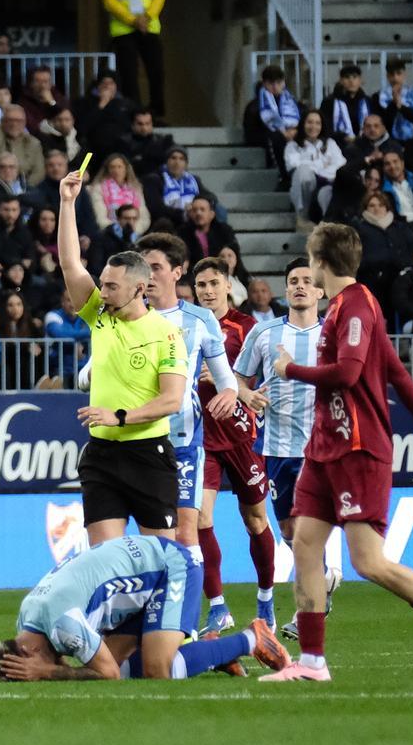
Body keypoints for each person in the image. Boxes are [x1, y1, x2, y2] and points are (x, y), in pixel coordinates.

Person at [261, 222, 413, 682]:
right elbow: (396, 371)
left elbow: (350, 374)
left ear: (320, 261)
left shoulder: (355, 307)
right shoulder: (346, 307)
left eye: (309, 258)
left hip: (359, 447)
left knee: (367, 562)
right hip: (324, 447)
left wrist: (289, 369)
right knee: (306, 545)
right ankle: (313, 661)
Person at [57, 170, 187, 549]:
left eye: (112, 286)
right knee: (105, 561)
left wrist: (120, 417)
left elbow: (171, 400)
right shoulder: (100, 314)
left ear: (140, 289)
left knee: (158, 560)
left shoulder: (165, 333)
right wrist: (67, 203)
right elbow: (69, 264)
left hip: (149, 454)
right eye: (103, 283)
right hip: (101, 455)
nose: (104, 291)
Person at [0, 535, 288, 681]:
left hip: (169, 567)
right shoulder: (27, 616)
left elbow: (108, 675)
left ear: (28, 652)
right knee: (124, 667)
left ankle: (251, 638)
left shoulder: (62, 623)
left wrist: (47, 672)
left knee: (157, 670)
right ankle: (213, 652)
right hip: (136, 588)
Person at [232, 257, 343, 640]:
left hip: (320, 448)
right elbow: (237, 379)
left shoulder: (333, 334)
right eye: (292, 280)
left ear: (319, 291)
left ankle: (307, 612)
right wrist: (247, 394)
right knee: (290, 534)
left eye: (306, 281)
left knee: (307, 532)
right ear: (286, 289)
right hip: (276, 448)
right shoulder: (264, 334)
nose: (298, 286)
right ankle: (326, 577)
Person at [132, 234, 238, 622]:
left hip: (183, 440)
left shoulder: (200, 319)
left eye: (156, 267)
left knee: (187, 531)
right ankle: (155, 616)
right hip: (136, 440)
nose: (148, 276)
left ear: (177, 273)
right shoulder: (127, 316)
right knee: (152, 539)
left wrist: (228, 394)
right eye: (143, 268)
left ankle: (189, 622)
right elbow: (86, 376)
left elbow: (226, 379)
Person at [191, 257, 275, 634]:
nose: (207, 291)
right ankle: (218, 606)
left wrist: (230, 382)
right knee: (198, 519)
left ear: (228, 285)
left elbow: (262, 386)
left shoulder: (248, 329)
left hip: (243, 437)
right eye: (201, 285)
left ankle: (266, 599)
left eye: (213, 284)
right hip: (202, 437)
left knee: (255, 520)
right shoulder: (186, 326)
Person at [102, 0, 166, 118]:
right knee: (129, 73)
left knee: (156, 70)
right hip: (123, 30)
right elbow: (109, 0)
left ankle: (157, 112)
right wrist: (133, 20)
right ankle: (133, 112)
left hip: (149, 27)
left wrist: (148, 16)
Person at [284, 109, 346, 223]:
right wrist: (321, 164)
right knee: (304, 173)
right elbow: (294, 165)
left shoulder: (330, 143)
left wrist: (318, 167)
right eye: (310, 122)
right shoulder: (293, 146)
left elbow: (340, 163)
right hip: (306, 189)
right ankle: (303, 218)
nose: (313, 126)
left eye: (318, 123)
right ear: (303, 124)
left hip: (327, 184)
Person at [254, 65, 300, 181]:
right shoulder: (256, 104)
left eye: (279, 83)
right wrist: (282, 131)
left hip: (290, 132)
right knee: (277, 138)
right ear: (264, 83)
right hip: (267, 136)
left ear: (283, 83)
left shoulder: (291, 100)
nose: (275, 87)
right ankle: (283, 175)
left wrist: (294, 129)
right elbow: (259, 125)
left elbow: (300, 117)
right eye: (271, 83)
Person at [373, 60, 413, 144]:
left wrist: (401, 107)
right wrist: (394, 104)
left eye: (399, 73)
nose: (395, 78)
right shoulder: (378, 96)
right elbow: (382, 121)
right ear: (387, 76)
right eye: (391, 74)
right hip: (388, 140)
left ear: (404, 74)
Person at [319, 65, 371, 144]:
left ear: (360, 80)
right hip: (338, 144)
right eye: (347, 77)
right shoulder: (329, 102)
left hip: (365, 143)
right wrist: (342, 137)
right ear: (341, 81)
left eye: (354, 77)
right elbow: (325, 126)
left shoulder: (368, 101)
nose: (351, 81)